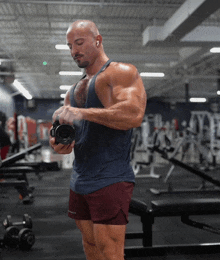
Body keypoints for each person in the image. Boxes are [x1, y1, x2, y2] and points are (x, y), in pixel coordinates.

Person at [50, 20, 147, 260]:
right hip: (80, 179)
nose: (74, 51)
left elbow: (133, 114)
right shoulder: (72, 91)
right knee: (91, 246)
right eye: (70, 46)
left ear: (98, 40)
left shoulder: (120, 72)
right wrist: (59, 144)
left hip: (110, 177)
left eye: (80, 43)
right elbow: (66, 140)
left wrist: (81, 112)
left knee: (110, 251)